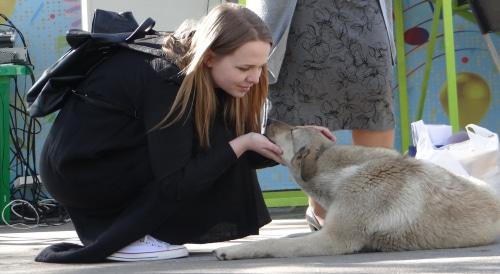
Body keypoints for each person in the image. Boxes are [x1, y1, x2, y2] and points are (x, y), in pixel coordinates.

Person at [35, 3, 333, 263]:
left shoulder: (196, 70)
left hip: (107, 158)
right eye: (245, 67)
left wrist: (292, 140)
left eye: (260, 66)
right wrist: (243, 143)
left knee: (223, 143)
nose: (255, 78)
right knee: (221, 149)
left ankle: (135, 227)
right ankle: (125, 236)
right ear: (209, 57)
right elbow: (176, 182)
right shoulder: (166, 78)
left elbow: (223, 147)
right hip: (83, 172)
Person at [247, 0, 396, 230]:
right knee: (306, 103)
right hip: (302, 9)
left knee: (373, 100)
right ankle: (321, 210)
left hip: (363, 8)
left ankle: (374, 206)